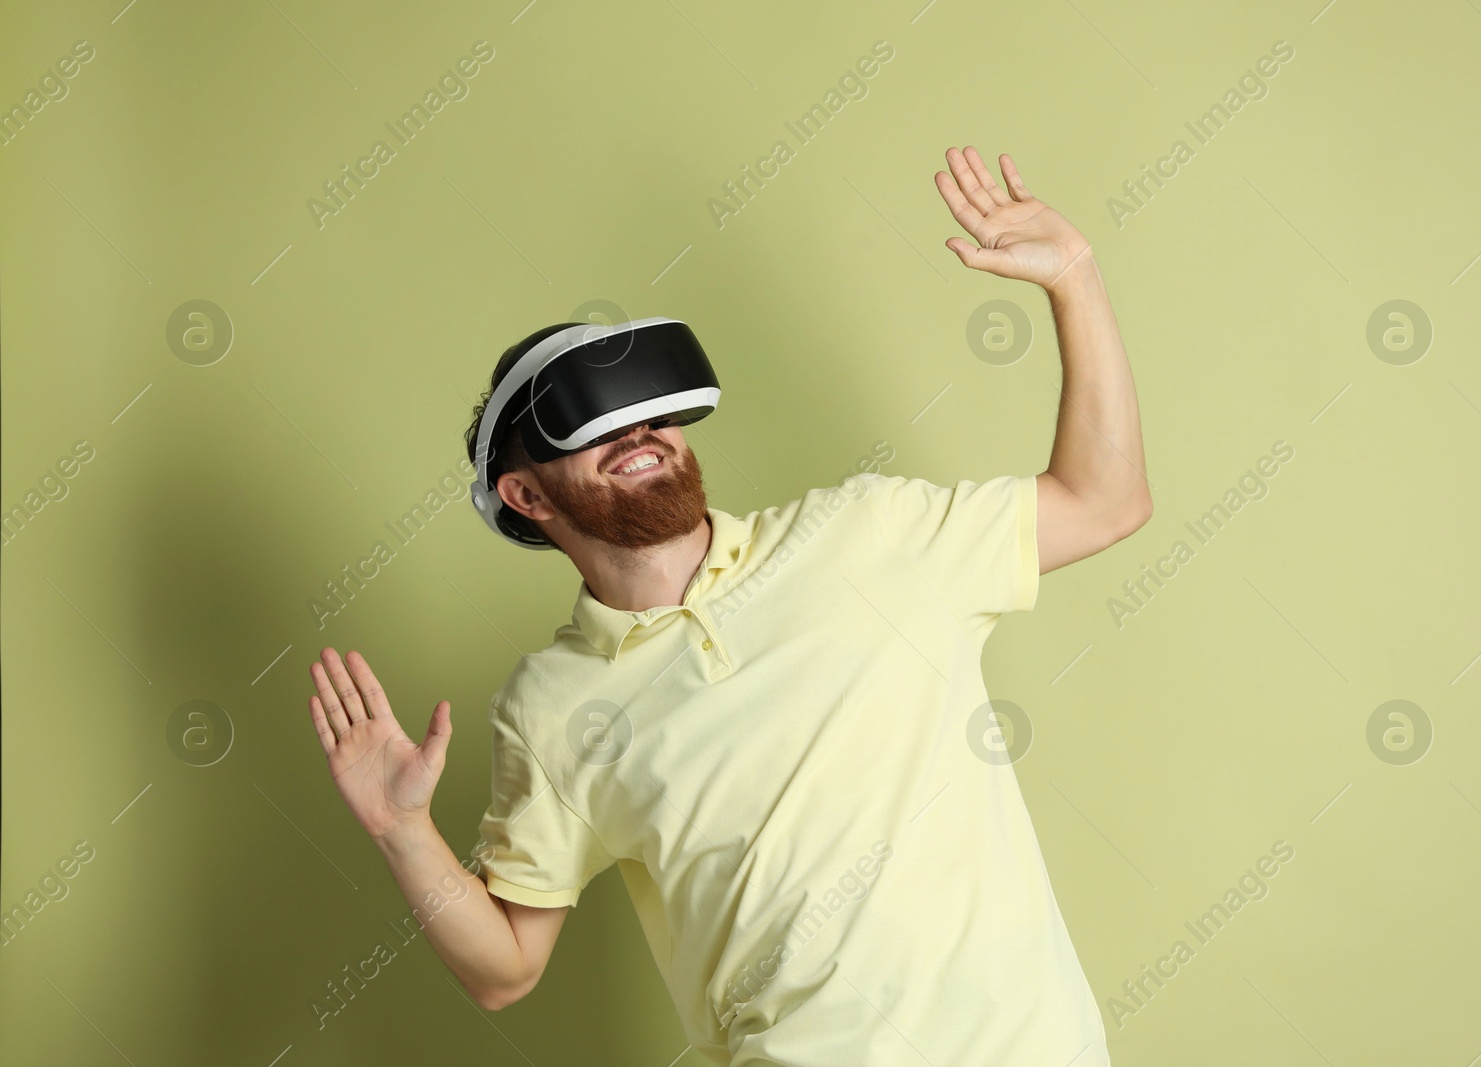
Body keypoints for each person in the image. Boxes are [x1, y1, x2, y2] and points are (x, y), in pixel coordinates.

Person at [306, 146, 1151, 1065]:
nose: (637, 430)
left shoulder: (869, 532)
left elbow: (1106, 501)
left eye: (650, 406)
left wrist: (1074, 279)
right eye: (591, 423)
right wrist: (403, 832)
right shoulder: (548, 706)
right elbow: (505, 967)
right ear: (527, 496)